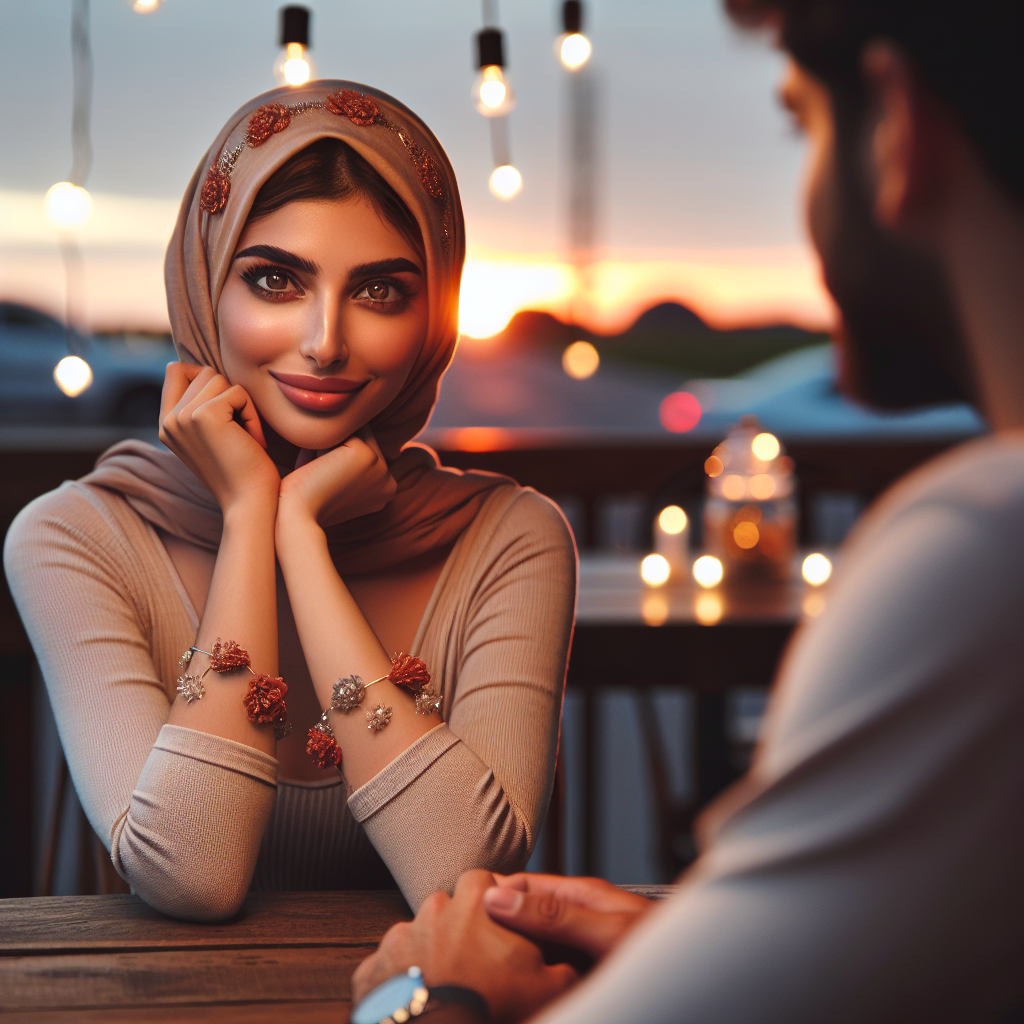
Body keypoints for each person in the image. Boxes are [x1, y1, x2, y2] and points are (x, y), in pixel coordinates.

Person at [351, 2, 1024, 1021]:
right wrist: (723, 944)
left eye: (802, 125)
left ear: (896, 123)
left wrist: (425, 998)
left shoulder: (983, 555)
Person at [4, 83, 575, 920]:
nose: (325, 341)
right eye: (275, 280)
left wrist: (298, 536)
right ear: (205, 285)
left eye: (381, 291)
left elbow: (461, 877)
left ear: (434, 317)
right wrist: (249, 519)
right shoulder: (74, 536)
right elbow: (189, 873)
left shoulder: (511, 537)